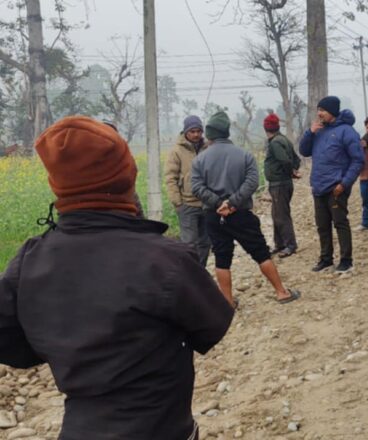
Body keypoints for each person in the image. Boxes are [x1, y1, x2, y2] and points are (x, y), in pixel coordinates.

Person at [0, 116, 234, 440]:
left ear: (58, 185)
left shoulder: (29, 260)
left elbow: (10, 343)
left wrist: (65, 343)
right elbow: (214, 324)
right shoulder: (163, 259)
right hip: (162, 429)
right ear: (126, 177)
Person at [191, 111, 301, 306]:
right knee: (260, 253)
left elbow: (197, 187)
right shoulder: (244, 155)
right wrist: (232, 203)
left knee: (222, 258)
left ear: (209, 135)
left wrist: (219, 204)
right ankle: (282, 292)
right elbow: (252, 182)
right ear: (227, 133)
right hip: (241, 213)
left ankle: (228, 302)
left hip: (214, 216)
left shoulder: (200, 159)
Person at [299, 96, 364, 273]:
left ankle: (346, 260)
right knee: (322, 225)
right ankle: (326, 259)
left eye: (323, 110)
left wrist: (344, 183)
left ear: (332, 112)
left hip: (336, 187)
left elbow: (358, 160)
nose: (319, 113)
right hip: (319, 185)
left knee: (340, 223)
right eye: (318, 110)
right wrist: (309, 132)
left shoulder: (346, 131)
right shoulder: (318, 131)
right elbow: (304, 151)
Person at [165, 115, 211, 266]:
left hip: (207, 203)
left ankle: (201, 271)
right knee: (189, 244)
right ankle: (190, 273)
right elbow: (170, 177)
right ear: (186, 132)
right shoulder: (176, 151)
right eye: (192, 131)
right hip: (187, 204)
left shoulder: (208, 148)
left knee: (205, 242)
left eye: (199, 131)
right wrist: (177, 203)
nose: (196, 134)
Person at [263, 113, 301, 258]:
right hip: (282, 184)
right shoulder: (284, 139)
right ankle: (279, 244)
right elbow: (296, 159)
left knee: (281, 216)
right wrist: (293, 171)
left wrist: (290, 172)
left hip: (279, 184)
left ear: (265, 128)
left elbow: (285, 161)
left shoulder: (274, 143)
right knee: (276, 214)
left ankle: (290, 245)